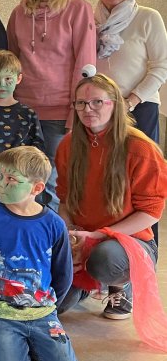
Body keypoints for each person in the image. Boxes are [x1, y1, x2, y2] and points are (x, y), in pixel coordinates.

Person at [0, 146, 80, 361]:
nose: (1, 184)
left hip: (43, 314)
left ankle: (25, 350)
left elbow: (63, 275)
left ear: (37, 188)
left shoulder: (54, 224)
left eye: (12, 179)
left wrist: (47, 307)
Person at [56, 71, 167, 320]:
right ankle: (88, 284)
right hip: (83, 237)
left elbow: (151, 212)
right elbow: (64, 200)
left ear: (114, 104)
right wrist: (69, 235)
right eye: (81, 103)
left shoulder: (141, 148)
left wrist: (97, 236)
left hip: (129, 243)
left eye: (97, 101)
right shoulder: (67, 145)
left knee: (105, 259)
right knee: (55, 305)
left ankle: (120, 285)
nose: (88, 109)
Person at [7, 0, 96, 207]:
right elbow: (12, 62)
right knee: (20, 179)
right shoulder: (18, 13)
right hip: (23, 110)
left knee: (52, 184)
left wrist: (76, 111)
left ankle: (50, 242)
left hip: (58, 113)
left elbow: (85, 63)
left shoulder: (78, 8)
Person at [92, 0, 167, 144]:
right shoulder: (89, 20)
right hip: (99, 107)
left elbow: (162, 66)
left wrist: (130, 102)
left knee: (141, 166)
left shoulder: (148, 17)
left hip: (139, 106)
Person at [0, 50, 44, 204]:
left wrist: (25, 164)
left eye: (8, 78)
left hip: (22, 183)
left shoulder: (29, 114)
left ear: (18, 78)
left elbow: (38, 148)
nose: (1, 84)